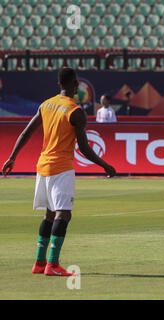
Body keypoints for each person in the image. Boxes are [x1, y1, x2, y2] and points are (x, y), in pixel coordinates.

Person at [1, 68, 116, 277]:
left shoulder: (46, 104)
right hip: (61, 167)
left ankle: (39, 262)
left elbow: (27, 131)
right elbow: (84, 147)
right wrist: (104, 165)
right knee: (64, 214)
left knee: (49, 214)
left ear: (59, 84)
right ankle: (52, 265)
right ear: (74, 85)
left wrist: (12, 157)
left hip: (42, 165)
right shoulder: (75, 111)